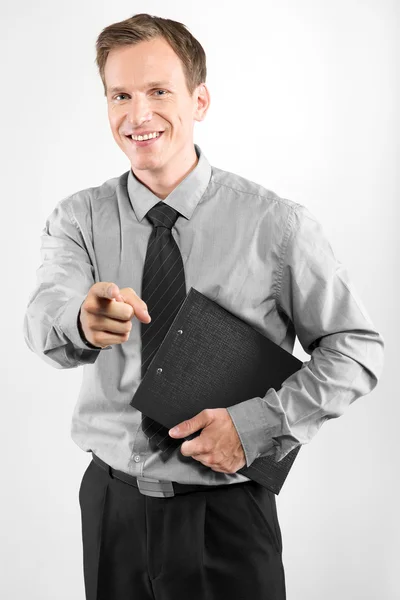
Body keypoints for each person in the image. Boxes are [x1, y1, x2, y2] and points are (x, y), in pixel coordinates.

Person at [23, 12, 385, 600]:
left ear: (200, 100)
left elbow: (356, 350)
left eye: (158, 91)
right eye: (120, 95)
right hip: (113, 509)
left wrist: (256, 426)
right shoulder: (78, 218)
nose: (137, 115)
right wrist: (81, 320)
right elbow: (46, 314)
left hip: (229, 514)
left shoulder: (277, 224)